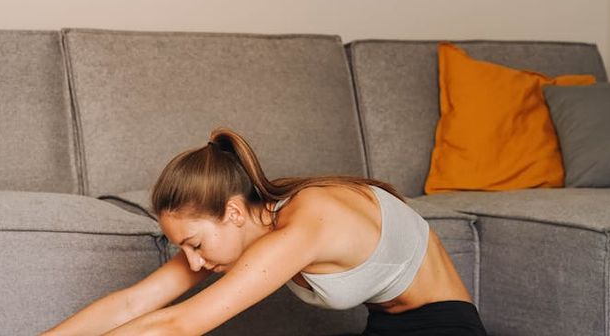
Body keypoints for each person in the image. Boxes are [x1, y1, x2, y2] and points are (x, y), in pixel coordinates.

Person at [42, 128, 487, 336]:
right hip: (385, 325)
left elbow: (180, 324)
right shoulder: (244, 228)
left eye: (194, 244)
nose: (193, 261)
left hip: (443, 326)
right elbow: (134, 302)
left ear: (234, 212)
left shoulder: (305, 224)